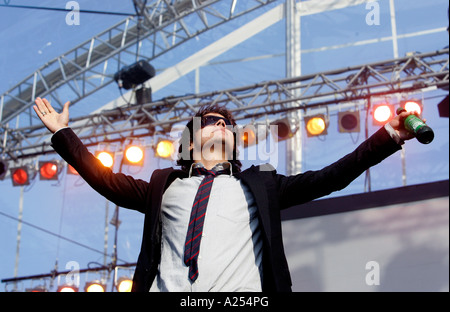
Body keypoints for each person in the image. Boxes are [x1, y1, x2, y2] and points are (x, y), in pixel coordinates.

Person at [33, 96, 417, 292]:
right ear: (190, 140)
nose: (220, 126)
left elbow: (331, 177)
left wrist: (389, 137)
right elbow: (105, 180)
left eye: (228, 124)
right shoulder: (164, 185)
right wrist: (62, 135)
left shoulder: (261, 184)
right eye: (210, 122)